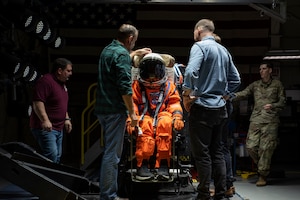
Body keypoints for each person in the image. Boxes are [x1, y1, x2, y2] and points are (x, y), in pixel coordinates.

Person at [182, 19, 241, 200]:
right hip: (221, 109)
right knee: (218, 151)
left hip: (202, 108)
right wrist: (226, 95)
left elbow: (191, 71)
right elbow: (236, 79)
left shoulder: (199, 47)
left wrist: (186, 95)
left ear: (199, 30)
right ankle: (221, 192)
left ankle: (203, 193)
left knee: (202, 154)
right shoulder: (223, 50)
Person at [94, 24, 151, 200]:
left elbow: (118, 60)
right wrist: (132, 113)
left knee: (108, 152)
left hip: (102, 109)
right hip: (115, 111)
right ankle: (108, 195)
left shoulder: (108, 50)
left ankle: (107, 192)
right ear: (130, 38)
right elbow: (125, 88)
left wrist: (135, 53)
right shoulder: (122, 55)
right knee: (113, 155)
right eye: (135, 41)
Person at [127, 53, 184, 181]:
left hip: (162, 115)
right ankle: (143, 165)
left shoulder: (169, 86)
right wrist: (131, 118)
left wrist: (177, 117)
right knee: (145, 124)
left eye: (156, 71)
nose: (152, 77)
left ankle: (163, 164)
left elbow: (174, 103)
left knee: (165, 122)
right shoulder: (137, 86)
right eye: (149, 72)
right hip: (144, 116)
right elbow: (132, 103)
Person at [229, 61, 286, 187]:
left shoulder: (277, 85)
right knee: (250, 146)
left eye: (264, 69)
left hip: (270, 121)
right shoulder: (255, 85)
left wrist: (273, 105)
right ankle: (263, 166)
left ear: (270, 70)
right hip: (256, 119)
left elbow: (283, 102)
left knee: (266, 148)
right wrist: (229, 96)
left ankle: (262, 175)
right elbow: (243, 93)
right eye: (260, 69)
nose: (261, 71)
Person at [30, 58, 73, 164]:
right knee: (51, 157)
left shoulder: (62, 84)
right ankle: (45, 180)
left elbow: (61, 104)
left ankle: (52, 178)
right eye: (68, 71)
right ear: (59, 71)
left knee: (57, 157)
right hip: (47, 128)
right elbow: (37, 102)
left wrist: (66, 118)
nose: (71, 73)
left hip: (58, 127)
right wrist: (45, 120)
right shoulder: (46, 81)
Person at [213, 33, 237, 197]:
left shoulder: (219, 59)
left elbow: (235, 81)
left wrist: (226, 94)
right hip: (224, 105)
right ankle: (226, 184)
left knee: (219, 147)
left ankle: (226, 185)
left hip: (222, 106)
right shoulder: (224, 58)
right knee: (221, 147)